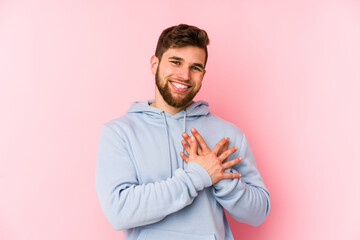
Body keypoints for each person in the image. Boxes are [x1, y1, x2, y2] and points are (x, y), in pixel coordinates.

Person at [95, 24, 270, 240]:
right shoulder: (119, 133)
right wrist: (197, 176)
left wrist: (220, 177)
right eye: (176, 62)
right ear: (154, 64)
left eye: (195, 67)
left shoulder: (228, 134)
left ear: (203, 74)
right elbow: (119, 212)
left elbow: (258, 213)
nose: (185, 75)